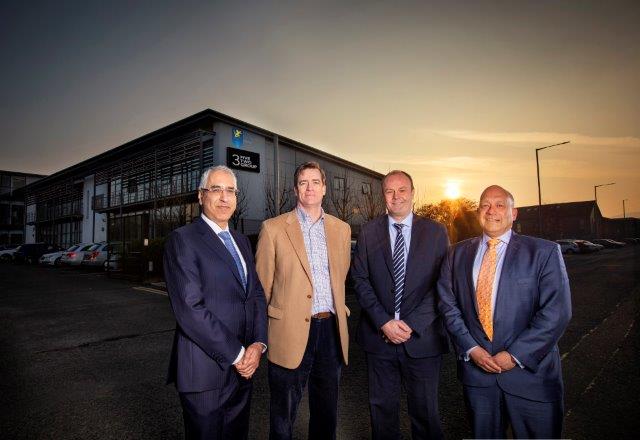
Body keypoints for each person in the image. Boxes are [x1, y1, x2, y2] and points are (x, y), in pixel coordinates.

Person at [437, 185, 572, 439]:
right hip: (478, 378)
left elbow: (556, 312)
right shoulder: (455, 254)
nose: (492, 211)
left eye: (500, 205)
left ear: (514, 213)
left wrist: (515, 355)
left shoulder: (543, 252)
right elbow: (448, 306)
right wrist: (471, 349)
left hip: (531, 377)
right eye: (485, 205)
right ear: (478, 212)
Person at [163, 165, 267, 440]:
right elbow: (190, 309)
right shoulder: (182, 240)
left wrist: (258, 344)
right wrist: (238, 354)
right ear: (201, 196)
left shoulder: (242, 241)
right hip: (205, 374)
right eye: (216, 189)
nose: (224, 197)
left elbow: (255, 295)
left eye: (230, 191)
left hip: (244, 370)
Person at [255, 161, 351, 440]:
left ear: (324, 188)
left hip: (330, 331)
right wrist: (258, 338)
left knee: (326, 413)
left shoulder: (341, 229)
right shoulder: (272, 229)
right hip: (289, 331)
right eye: (303, 182)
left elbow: (341, 277)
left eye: (315, 182)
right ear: (295, 189)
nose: (310, 188)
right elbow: (262, 289)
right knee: (283, 415)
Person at [351, 170, 449, 440]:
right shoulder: (369, 232)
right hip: (379, 339)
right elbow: (360, 279)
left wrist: (411, 324)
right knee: (382, 413)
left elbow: (443, 285)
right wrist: (383, 321)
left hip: (422, 339)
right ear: (383, 195)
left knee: (426, 414)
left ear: (413, 193)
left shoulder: (436, 232)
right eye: (389, 191)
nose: (396, 196)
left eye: (402, 190)